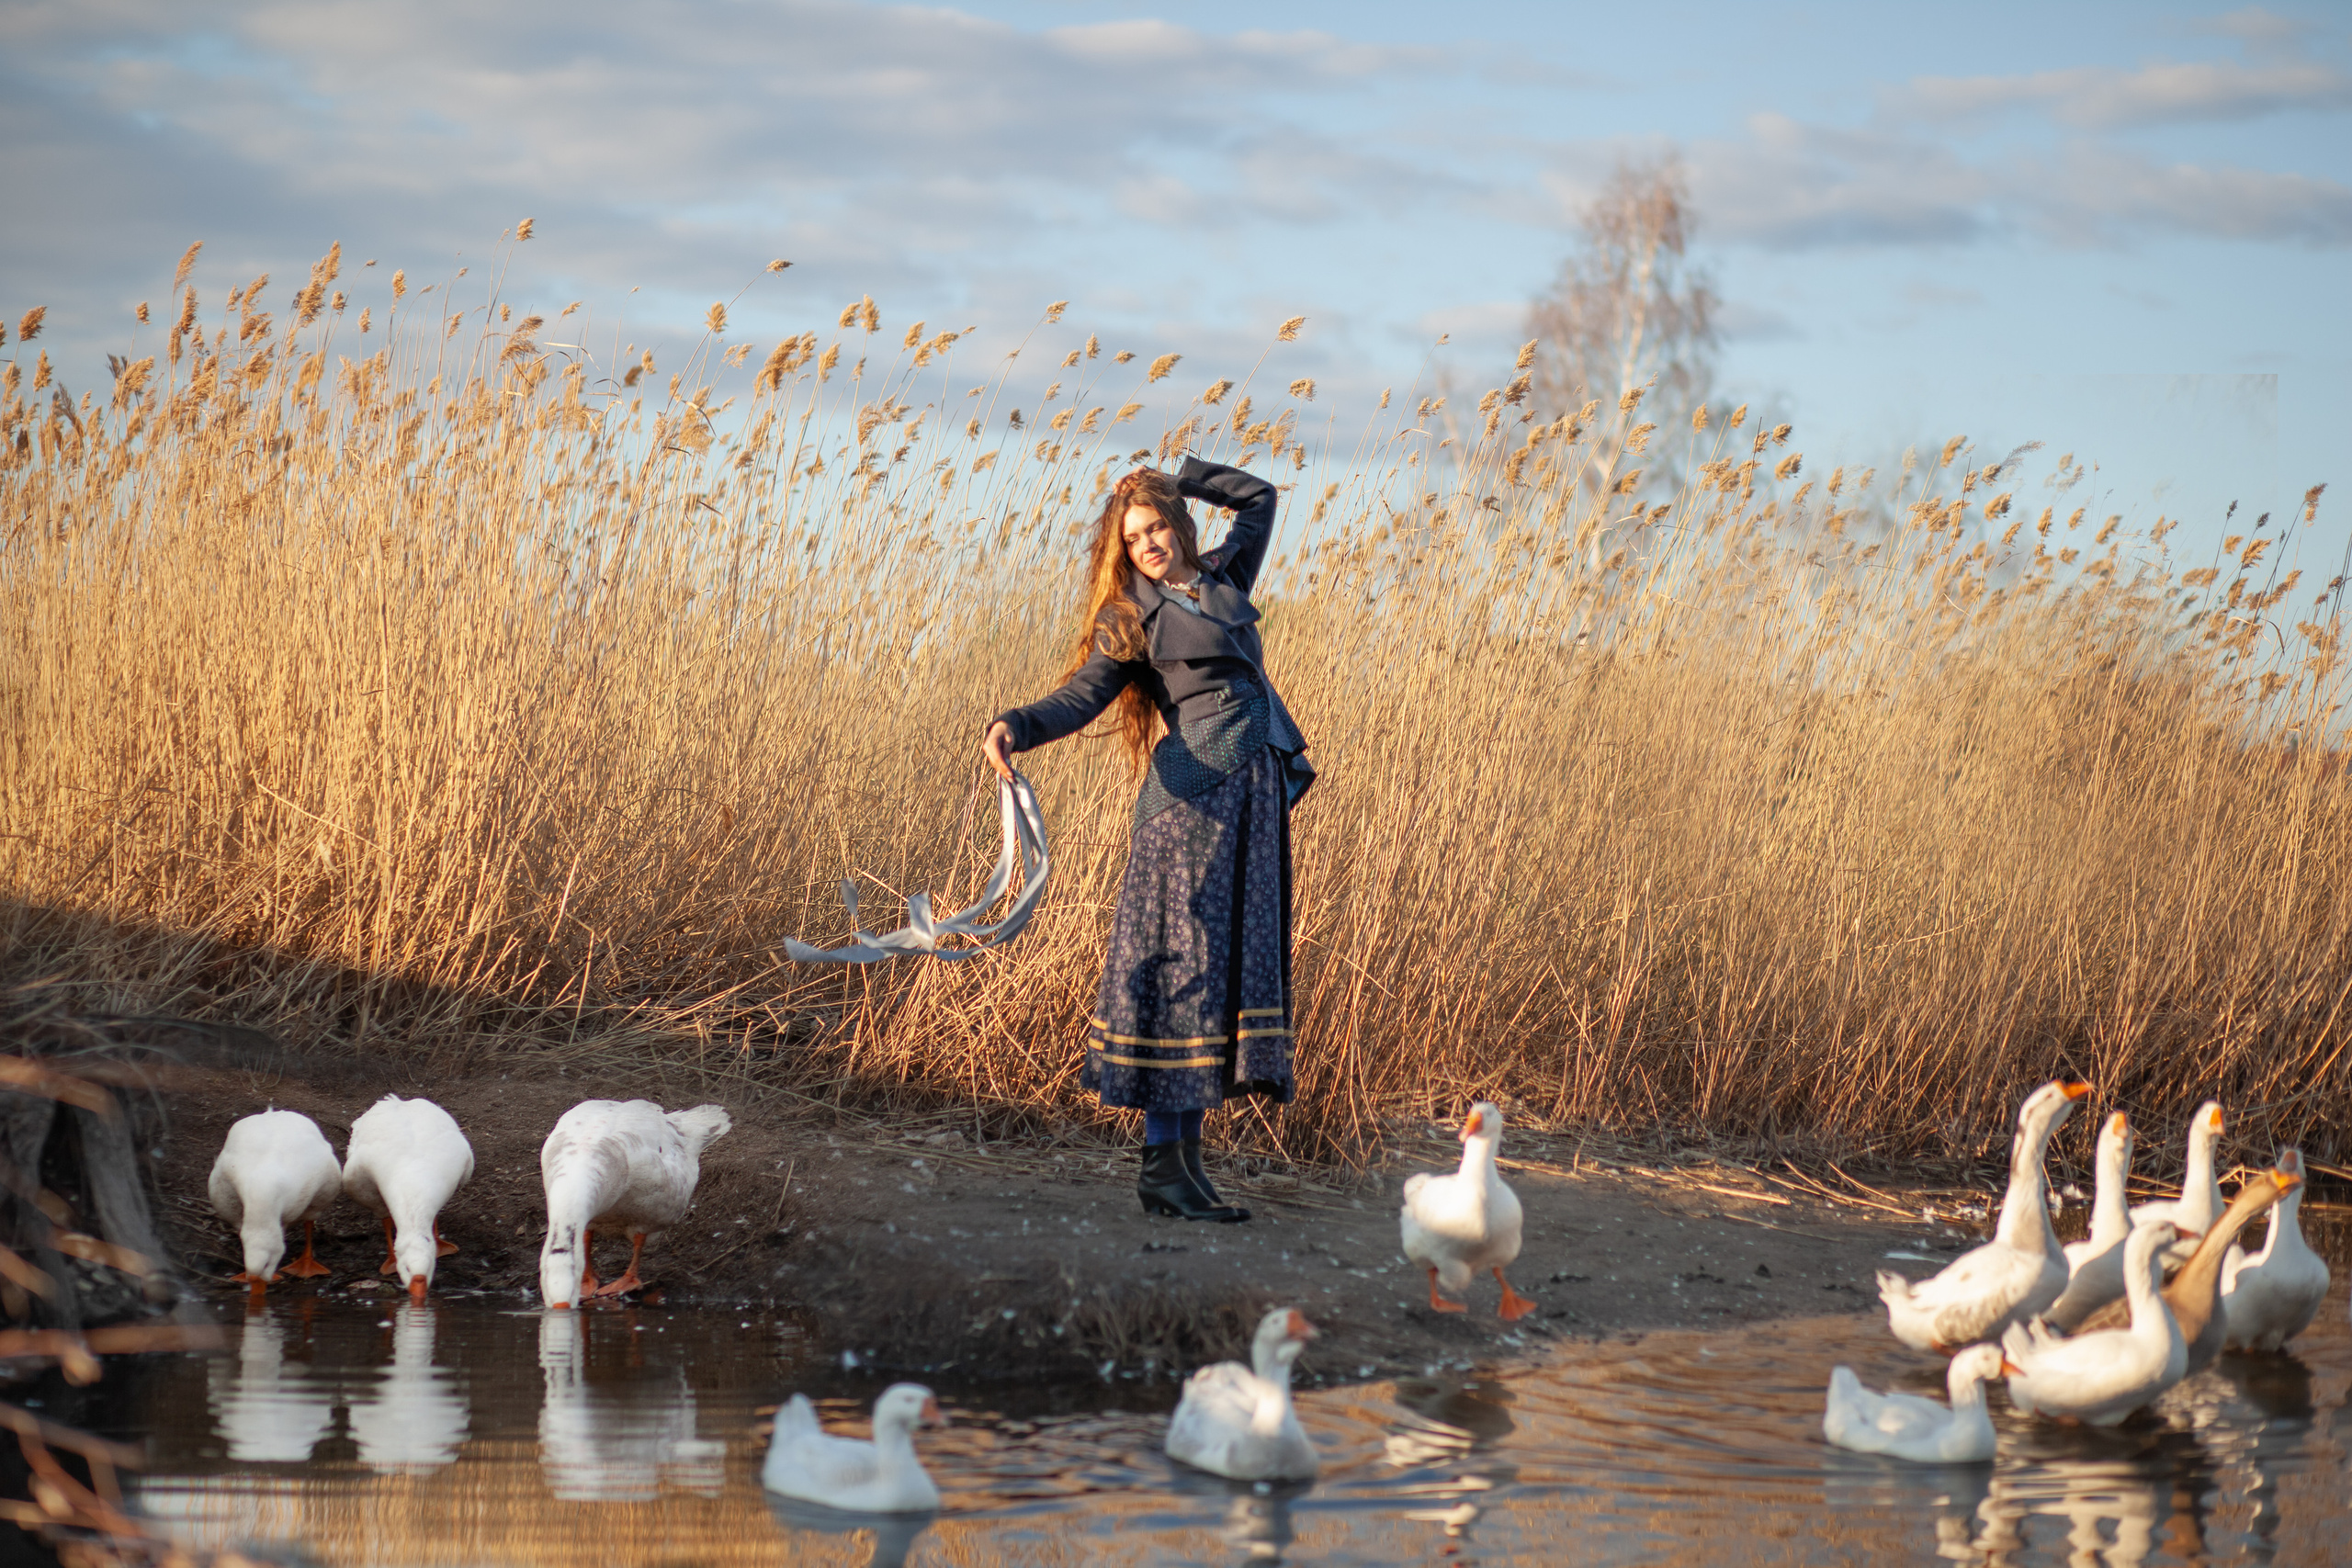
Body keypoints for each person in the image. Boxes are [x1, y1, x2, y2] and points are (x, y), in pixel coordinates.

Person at [982, 457, 1313, 1224]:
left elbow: (1260, 498)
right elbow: (1081, 695)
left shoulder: (1225, 573)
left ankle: (1185, 1169)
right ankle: (1164, 1169)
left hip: (1249, 804)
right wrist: (1018, 726)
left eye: (1158, 526)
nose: (1150, 544)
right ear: (1123, 553)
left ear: (1179, 523)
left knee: (1217, 977)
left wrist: (1181, 473)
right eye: (1134, 539)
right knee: (1184, 978)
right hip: (1189, 808)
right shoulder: (1128, 615)